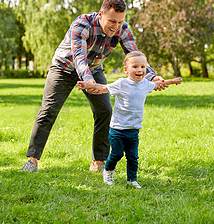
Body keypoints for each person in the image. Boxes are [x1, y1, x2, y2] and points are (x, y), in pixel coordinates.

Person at [21, 0, 165, 173]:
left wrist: (152, 77)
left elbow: (135, 55)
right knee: (49, 109)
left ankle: (98, 161)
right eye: (112, 21)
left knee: (104, 110)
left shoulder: (123, 29)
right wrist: (88, 81)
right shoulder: (82, 24)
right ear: (101, 14)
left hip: (94, 68)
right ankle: (32, 161)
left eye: (120, 22)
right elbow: (79, 57)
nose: (116, 26)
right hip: (64, 67)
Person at [77, 51, 182, 188]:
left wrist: (172, 81)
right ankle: (108, 171)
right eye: (135, 66)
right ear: (126, 69)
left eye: (143, 67)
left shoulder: (145, 84)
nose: (140, 70)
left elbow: (157, 85)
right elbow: (103, 88)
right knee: (117, 153)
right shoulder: (122, 83)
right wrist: (87, 85)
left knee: (133, 156)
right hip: (118, 128)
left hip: (134, 128)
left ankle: (132, 180)